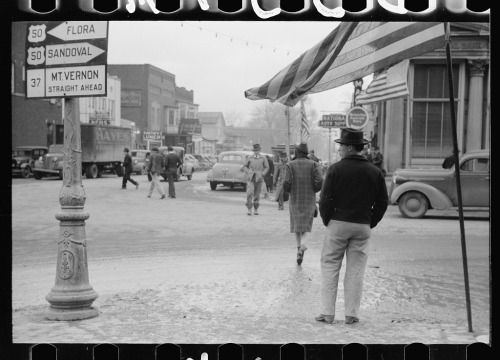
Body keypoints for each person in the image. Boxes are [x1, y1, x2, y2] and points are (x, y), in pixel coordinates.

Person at [317, 128, 388, 325]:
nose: (339, 150)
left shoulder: (335, 169)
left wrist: (328, 220)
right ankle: (351, 314)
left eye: (341, 147)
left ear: (349, 148)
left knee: (330, 266)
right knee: (356, 270)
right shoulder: (376, 172)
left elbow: (325, 200)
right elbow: (383, 202)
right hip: (362, 225)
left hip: (338, 224)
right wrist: (370, 221)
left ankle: (327, 313)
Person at [282, 142, 323, 265]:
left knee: (296, 226)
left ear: (297, 152)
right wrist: (315, 189)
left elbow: (286, 181)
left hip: (295, 198)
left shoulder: (290, 165)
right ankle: (303, 246)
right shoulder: (314, 164)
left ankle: (298, 248)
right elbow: (320, 179)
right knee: (306, 225)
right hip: (309, 197)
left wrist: (289, 190)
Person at [242, 143, 269, 215]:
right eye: (255, 150)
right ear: (253, 151)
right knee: (249, 193)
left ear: (259, 151)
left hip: (259, 178)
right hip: (251, 178)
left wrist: (263, 173)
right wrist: (248, 171)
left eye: (257, 150)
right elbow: (245, 166)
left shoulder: (263, 158)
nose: (256, 152)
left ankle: (256, 209)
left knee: (257, 194)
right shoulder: (249, 158)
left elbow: (267, 167)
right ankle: (249, 209)